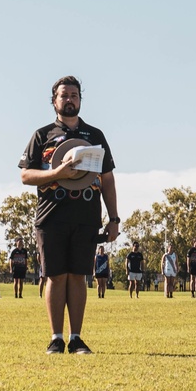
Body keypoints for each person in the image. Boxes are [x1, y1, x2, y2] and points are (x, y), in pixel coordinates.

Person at [19, 76, 119, 354]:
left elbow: (108, 180)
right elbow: (26, 175)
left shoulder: (95, 136)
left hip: (87, 216)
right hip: (51, 217)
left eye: (74, 95)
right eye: (64, 95)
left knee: (78, 276)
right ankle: (56, 338)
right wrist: (56, 174)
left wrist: (114, 219)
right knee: (55, 276)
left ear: (80, 100)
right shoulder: (42, 135)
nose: (69, 99)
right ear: (54, 101)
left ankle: (76, 338)